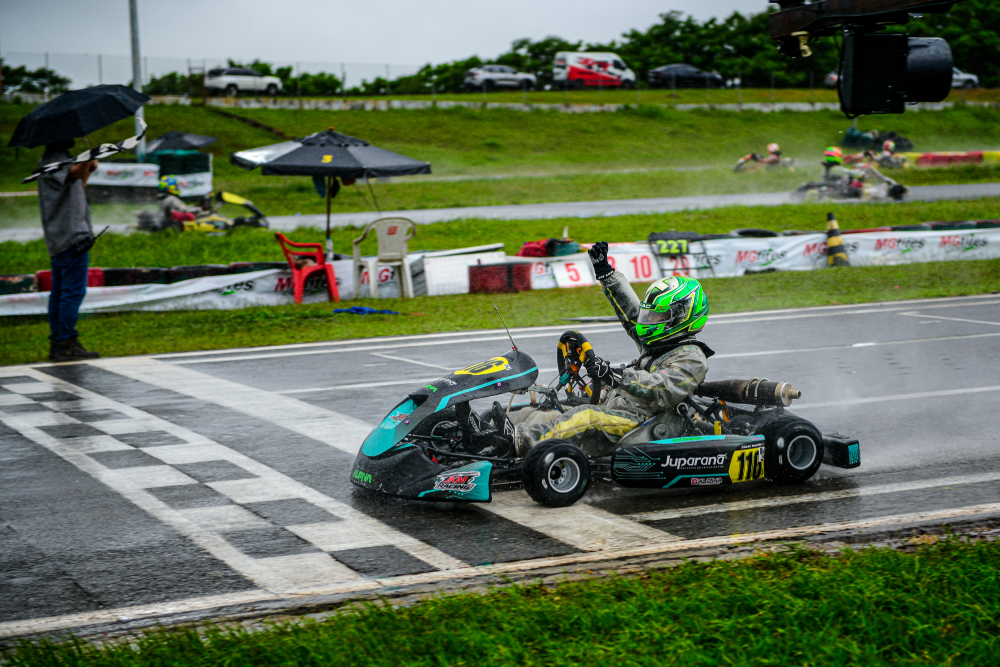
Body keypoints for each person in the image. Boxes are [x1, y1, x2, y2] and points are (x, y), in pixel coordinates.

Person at [473, 242, 713, 458]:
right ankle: (492, 432)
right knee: (546, 411)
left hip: (643, 421)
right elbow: (631, 314)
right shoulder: (657, 343)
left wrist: (617, 376)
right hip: (615, 408)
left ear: (682, 317)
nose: (649, 322)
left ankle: (512, 444)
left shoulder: (692, 358)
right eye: (649, 314)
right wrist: (607, 274)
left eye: (657, 316)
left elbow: (662, 389)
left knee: (584, 416)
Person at [37, 139, 101, 362]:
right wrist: (87, 157)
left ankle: (59, 341)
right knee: (71, 293)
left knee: (60, 292)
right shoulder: (54, 160)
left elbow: (76, 184)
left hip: (62, 237)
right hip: (69, 237)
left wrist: (88, 168)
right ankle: (65, 342)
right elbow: (73, 174)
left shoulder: (58, 159)